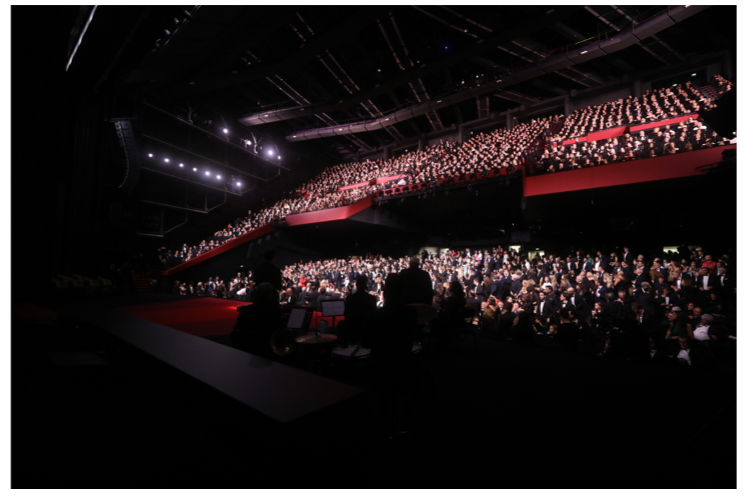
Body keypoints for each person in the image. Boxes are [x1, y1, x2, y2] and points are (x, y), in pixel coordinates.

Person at [230, 283, 282, 358]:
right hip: (265, 351)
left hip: (243, 349)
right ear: (269, 297)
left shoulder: (245, 311)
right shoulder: (272, 314)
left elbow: (236, 333)